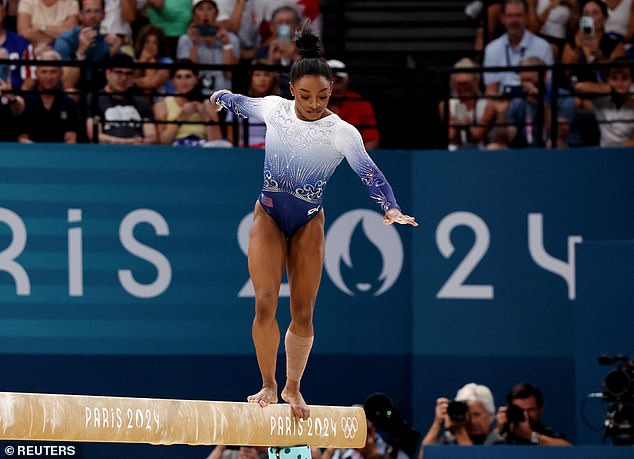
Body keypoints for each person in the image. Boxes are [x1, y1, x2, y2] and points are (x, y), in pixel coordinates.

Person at [210, 23, 417, 421]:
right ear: (292, 90)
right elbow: (242, 102)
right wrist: (222, 96)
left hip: (308, 221)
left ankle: (293, 386)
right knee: (265, 301)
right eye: (305, 96)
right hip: (269, 214)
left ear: (332, 92)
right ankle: (268, 384)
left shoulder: (343, 132)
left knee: (303, 311)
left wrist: (388, 207)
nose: (313, 103)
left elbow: (371, 174)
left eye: (323, 96)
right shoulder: (274, 109)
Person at [86, 52, 158, 144]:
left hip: (138, 152)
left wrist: (141, 142)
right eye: (119, 72)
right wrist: (127, 142)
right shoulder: (94, 99)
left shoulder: (141, 101)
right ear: (108, 74)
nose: (123, 78)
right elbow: (95, 136)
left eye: (128, 73)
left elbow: (152, 136)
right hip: (107, 152)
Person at [506, 55, 575, 147]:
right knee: (495, 147)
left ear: (544, 76)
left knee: (552, 144)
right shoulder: (518, 101)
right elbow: (508, 137)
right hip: (525, 149)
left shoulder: (563, 98)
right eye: (522, 81)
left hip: (561, 149)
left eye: (528, 80)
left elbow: (557, 135)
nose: (525, 85)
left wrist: (542, 103)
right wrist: (502, 112)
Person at [419, 383, 505, 457]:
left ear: (490, 415)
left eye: (476, 414)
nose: (471, 420)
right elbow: (424, 456)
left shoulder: (497, 443)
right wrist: (437, 423)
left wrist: (459, 432)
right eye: (467, 414)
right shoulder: (450, 439)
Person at [153, 60, 226, 146]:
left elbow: (217, 143)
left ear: (196, 79)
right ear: (173, 81)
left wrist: (205, 116)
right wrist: (182, 116)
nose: (184, 82)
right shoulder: (161, 106)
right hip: (175, 150)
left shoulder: (208, 107)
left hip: (202, 149)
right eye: (179, 77)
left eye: (188, 76)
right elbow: (163, 142)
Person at [176, 0, 240, 98]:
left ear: (216, 13)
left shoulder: (231, 39)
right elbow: (187, 74)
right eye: (201, 9)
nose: (205, 13)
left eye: (209, 9)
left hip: (223, 97)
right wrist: (195, 45)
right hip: (195, 97)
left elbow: (230, 74)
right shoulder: (185, 40)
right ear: (194, 14)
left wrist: (226, 45)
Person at [17, 50, 79, 143]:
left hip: (60, 154)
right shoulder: (26, 101)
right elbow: (21, 137)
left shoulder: (69, 103)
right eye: (44, 72)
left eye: (53, 72)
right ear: (37, 73)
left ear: (60, 73)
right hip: (31, 153)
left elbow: (70, 138)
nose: (48, 77)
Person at [54, 0, 115, 92]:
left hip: (101, 91)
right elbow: (66, 82)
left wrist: (113, 54)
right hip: (75, 89)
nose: (93, 16)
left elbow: (117, 77)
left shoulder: (108, 39)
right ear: (80, 15)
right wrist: (80, 52)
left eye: (97, 11)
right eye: (88, 11)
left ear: (104, 15)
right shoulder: (65, 40)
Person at [573, 58, 634, 146]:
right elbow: (579, 87)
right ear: (607, 79)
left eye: (624, 78)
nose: (619, 83)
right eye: (614, 78)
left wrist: (624, 97)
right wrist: (613, 90)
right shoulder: (601, 98)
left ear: (632, 80)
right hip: (605, 153)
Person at [440, 57, 497, 150]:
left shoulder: (488, 105)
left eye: (466, 84)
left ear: (476, 81)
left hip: (483, 150)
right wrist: (457, 126)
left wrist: (468, 128)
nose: (463, 88)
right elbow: (451, 138)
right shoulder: (448, 105)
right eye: (459, 84)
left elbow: (477, 137)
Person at [327, 59, 381, 150]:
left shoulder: (361, 104)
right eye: (329, 82)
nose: (334, 87)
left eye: (338, 81)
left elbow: (372, 140)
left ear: (346, 82)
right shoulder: (309, 105)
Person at [496, 382, 571, 445]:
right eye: (519, 410)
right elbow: (484, 451)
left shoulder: (545, 436)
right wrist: (498, 429)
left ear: (540, 408)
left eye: (530, 410)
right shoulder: (502, 435)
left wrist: (531, 435)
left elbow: (568, 449)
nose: (525, 415)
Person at [254, 5, 301, 99]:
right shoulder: (262, 51)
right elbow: (257, 83)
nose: (284, 26)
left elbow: (312, 78)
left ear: (297, 27)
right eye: (280, 23)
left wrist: (294, 57)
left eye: (288, 22)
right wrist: (271, 58)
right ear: (272, 27)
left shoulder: (307, 51)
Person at [133, 24, 173, 99]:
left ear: (160, 46)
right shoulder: (134, 61)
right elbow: (134, 76)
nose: (150, 46)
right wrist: (142, 62)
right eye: (147, 42)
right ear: (141, 44)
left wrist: (133, 82)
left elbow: (153, 83)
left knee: (151, 62)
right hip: (139, 99)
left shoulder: (167, 62)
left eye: (155, 43)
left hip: (166, 101)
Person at [0, 0, 32, 91]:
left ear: (5, 11)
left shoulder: (21, 43)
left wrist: (16, 99)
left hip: (14, 98)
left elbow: (30, 78)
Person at [0, 47, 25, 141]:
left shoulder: (15, 92)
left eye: (4, 66)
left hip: (10, 145)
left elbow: (18, 110)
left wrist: (10, 97)